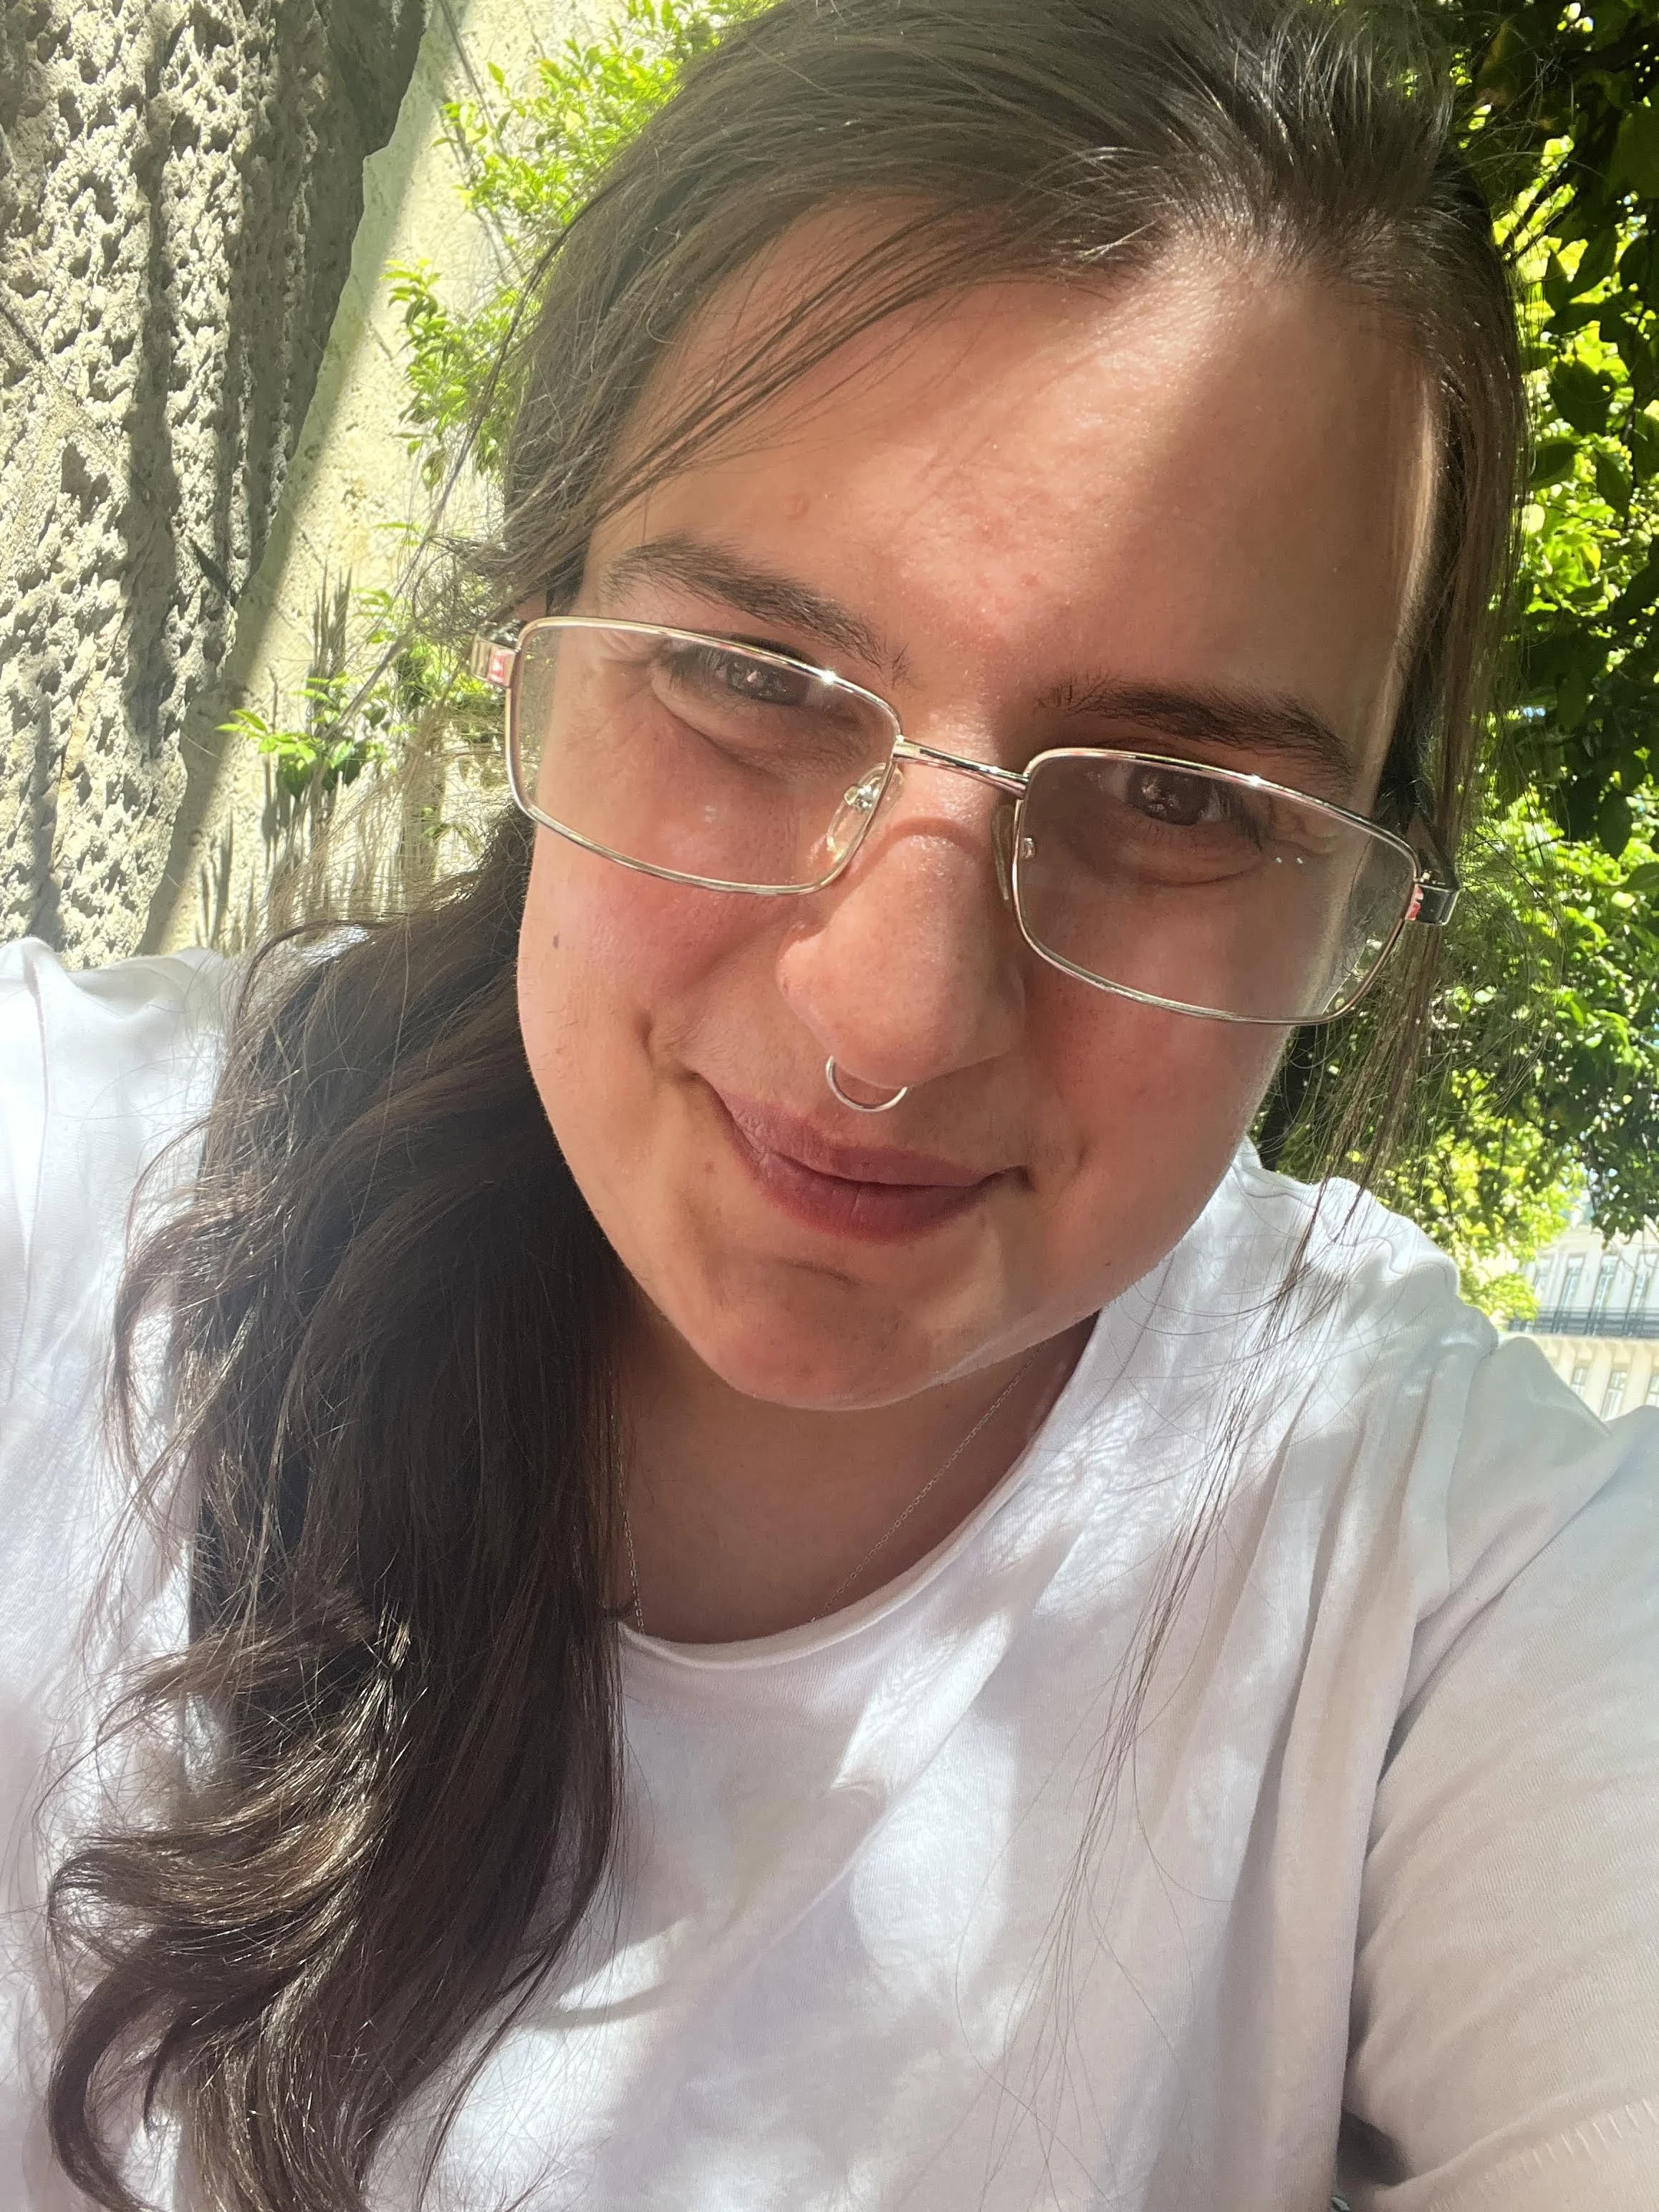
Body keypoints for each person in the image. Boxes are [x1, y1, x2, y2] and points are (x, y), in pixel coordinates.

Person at [2, 0, 1655, 2206]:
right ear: (528, 643)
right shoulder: (64, 1182)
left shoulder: (1440, 1574)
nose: (888, 1017)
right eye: (755, 684)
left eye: (1176, 796)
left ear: (1356, 877)